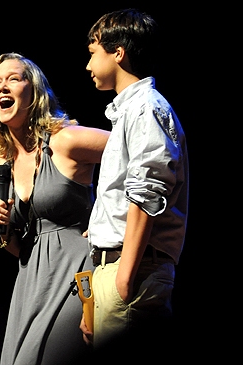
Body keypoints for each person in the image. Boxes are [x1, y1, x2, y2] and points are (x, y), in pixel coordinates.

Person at [0, 52, 110, 365]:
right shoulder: (1, 165)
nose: (3, 87)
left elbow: (133, 147)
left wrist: (107, 215)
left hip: (79, 274)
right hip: (31, 282)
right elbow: (20, 249)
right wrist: (2, 228)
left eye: (14, 79)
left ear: (34, 91)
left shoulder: (65, 140)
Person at [80, 8, 189, 356]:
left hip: (133, 271)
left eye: (93, 53)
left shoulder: (146, 108)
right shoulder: (129, 113)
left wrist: (123, 281)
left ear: (118, 52)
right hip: (113, 272)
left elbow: (149, 190)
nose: (88, 66)